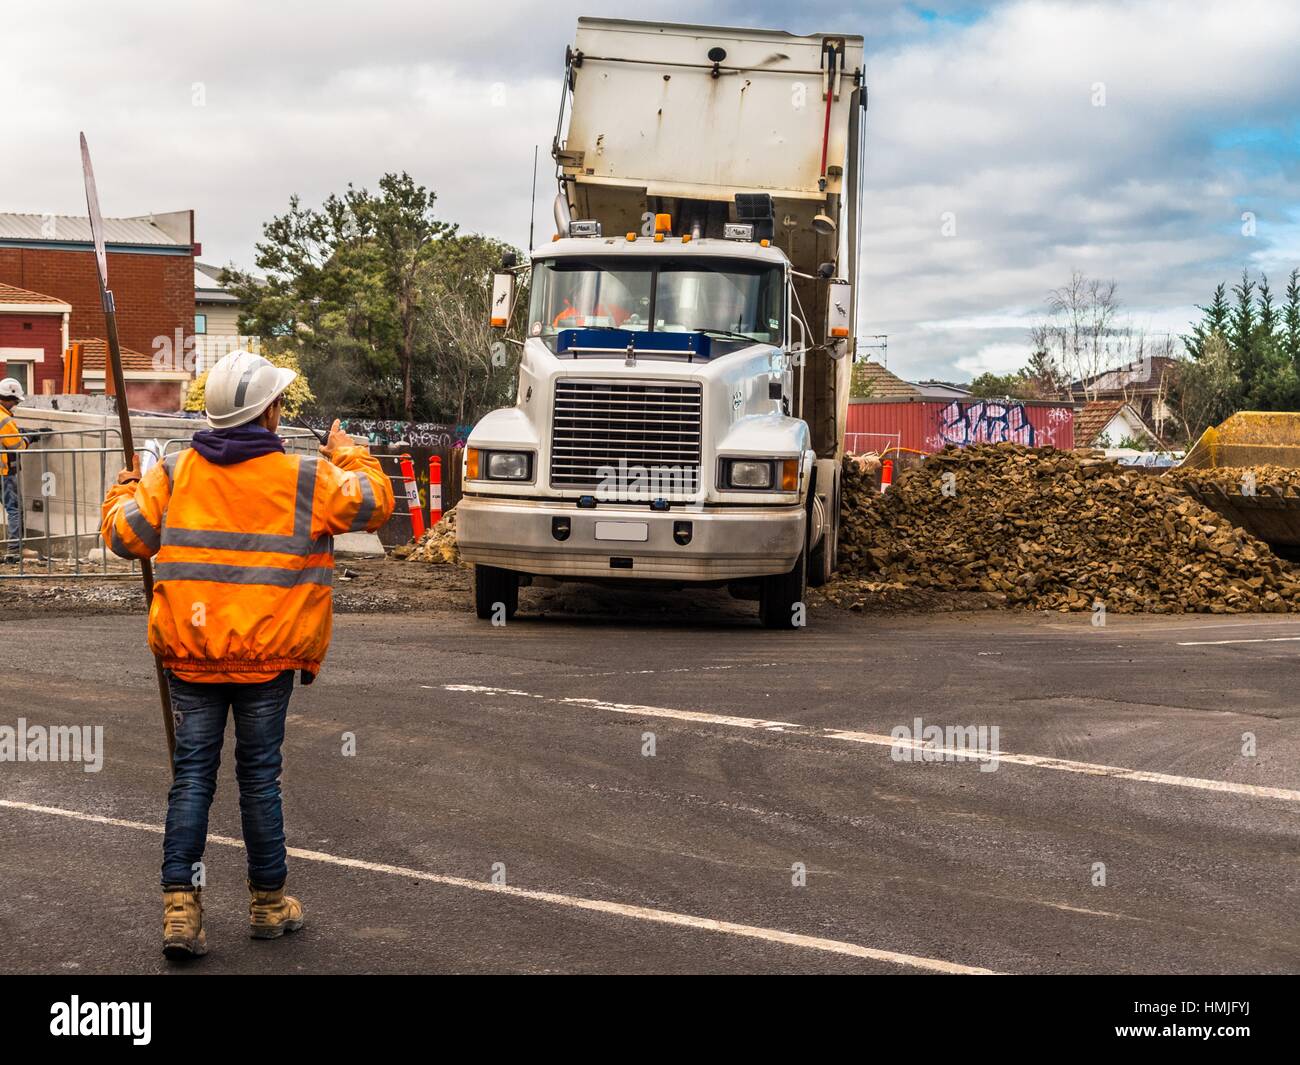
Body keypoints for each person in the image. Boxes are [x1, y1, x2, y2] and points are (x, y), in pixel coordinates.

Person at [100, 350, 394, 959]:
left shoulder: (175, 474)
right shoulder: (308, 477)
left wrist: (125, 489)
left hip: (191, 657)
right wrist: (350, 451)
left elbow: (124, 536)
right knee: (260, 780)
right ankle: (267, 903)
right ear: (270, 413)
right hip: (267, 661)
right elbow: (372, 503)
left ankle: (180, 909)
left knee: (192, 779)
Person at [0, 379, 29, 562]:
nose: (16, 404)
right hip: (3, 473)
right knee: (14, 509)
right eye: (15, 401)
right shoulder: (4, 418)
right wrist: (29, 438)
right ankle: (14, 550)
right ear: (7, 398)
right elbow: (17, 446)